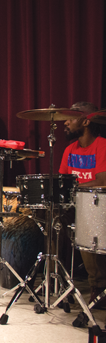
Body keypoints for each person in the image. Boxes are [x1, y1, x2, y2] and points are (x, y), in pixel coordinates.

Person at [59, 102, 106, 308]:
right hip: (73, 205)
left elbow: (102, 180)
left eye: (71, 118)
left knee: (87, 221)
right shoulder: (70, 149)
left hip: (96, 206)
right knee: (51, 220)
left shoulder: (102, 145)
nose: (65, 122)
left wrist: (76, 187)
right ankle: (58, 279)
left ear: (86, 121)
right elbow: (62, 180)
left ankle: (98, 286)